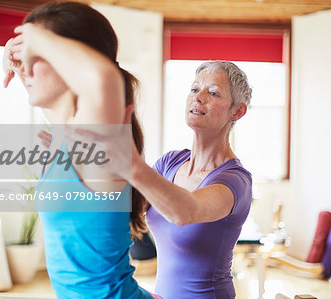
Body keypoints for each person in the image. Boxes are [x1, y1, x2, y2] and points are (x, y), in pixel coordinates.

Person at [3, 2, 160, 298]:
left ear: (70, 62)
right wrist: (25, 57)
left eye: (37, 57)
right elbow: (59, 94)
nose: (25, 69)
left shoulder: (94, 143)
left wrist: (38, 38)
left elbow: (101, 77)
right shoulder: (67, 136)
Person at [70, 60, 253, 298]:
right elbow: (125, 205)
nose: (198, 98)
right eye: (195, 89)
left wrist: (129, 161)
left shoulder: (235, 181)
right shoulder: (170, 163)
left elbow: (185, 211)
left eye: (213, 93)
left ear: (237, 111)